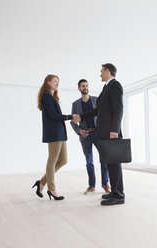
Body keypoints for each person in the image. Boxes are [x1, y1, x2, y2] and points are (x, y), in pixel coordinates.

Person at [78, 63, 125, 206]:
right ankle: (114, 191)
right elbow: (98, 110)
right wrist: (81, 118)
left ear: (107, 71)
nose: (100, 74)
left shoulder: (115, 85)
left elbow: (119, 109)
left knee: (114, 164)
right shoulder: (106, 88)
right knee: (110, 163)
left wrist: (114, 130)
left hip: (111, 132)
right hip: (104, 132)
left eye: (101, 71)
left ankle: (119, 196)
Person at [32, 74, 80, 201]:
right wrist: (70, 117)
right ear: (48, 82)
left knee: (63, 160)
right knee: (52, 160)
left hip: (60, 133)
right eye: (55, 81)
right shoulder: (47, 97)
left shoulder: (52, 97)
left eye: (58, 81)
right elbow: (53, 116)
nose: (58, 83)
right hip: (54, 133)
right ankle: (51, 189)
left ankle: (42, 182)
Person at [70, 79, 110, 195]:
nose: (85, 87)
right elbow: (73, 122)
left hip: (98, 134)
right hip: (85, 136)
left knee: (104, 159)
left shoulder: (96, 100)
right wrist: (79, 131)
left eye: (86, 85)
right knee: (89, 161)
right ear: (79, 88)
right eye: (83, 86)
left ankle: (105, 184)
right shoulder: (75, 104)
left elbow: (103, 116)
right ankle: (91, 186)